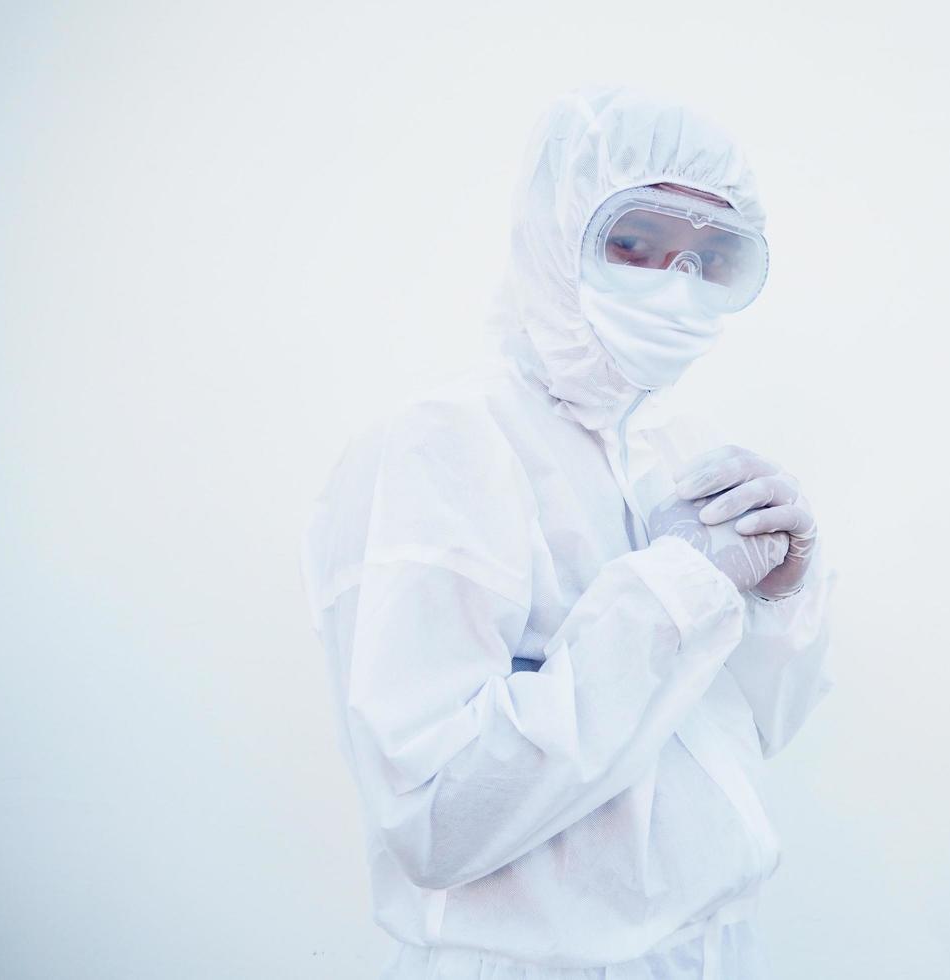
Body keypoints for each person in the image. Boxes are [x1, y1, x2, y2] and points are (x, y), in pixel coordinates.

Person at [300, 84, 839, 980]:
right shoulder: (445, 446)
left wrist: (781, 604)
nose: (678, 288)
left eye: (711, 259)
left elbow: (749, 727)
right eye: (636, 244)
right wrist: (681, 584)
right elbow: (436, 817)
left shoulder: (673, 446)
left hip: (706, 948)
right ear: (557, 234)